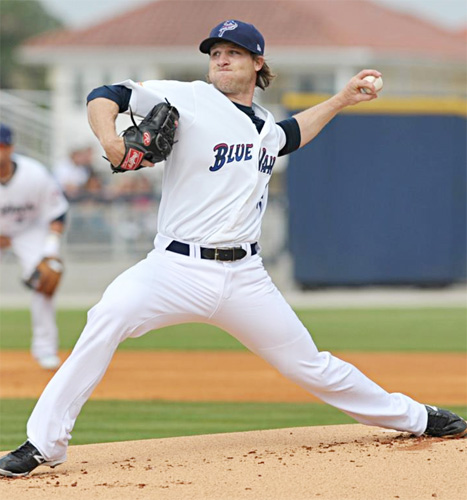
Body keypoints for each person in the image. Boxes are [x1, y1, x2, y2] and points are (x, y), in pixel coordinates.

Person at [0, 20, 464, 478]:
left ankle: (416, 417)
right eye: (215, 53)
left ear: (257, 63)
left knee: (310, 365)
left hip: (245, 277)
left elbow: (291, 134)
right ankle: (44, 443)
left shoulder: (264, 125)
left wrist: (342, 99)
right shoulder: (189, 97)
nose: (221, 60)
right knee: (105, 318)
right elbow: (107, 92)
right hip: (174, 268)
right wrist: (110, 140)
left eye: (233, 53)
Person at [0, 123, 69, 370]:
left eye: (1, 146)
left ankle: (45, 349)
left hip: (29, 230)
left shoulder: (35, 174)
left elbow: (57, 213)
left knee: (45, 282)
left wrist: (50, 250)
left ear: (11, 148)